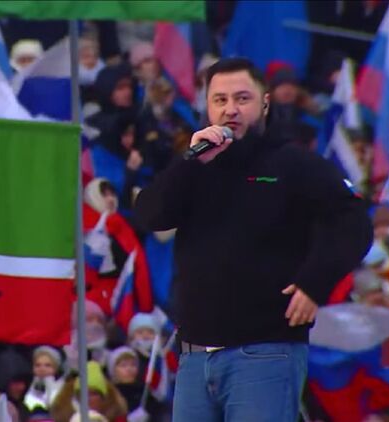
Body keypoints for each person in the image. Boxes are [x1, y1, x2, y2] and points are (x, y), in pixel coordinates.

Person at [133, 57, 372, 421]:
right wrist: (189, 163)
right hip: (194, 356)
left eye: (242, 98)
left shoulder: (292, 162)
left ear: (264, 103)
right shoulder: (196, 166)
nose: (230, 109)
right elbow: (149, 215)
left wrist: (314, 283)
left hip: (265, 352)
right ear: (207, 107)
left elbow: (353, 222)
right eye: (220, 100)